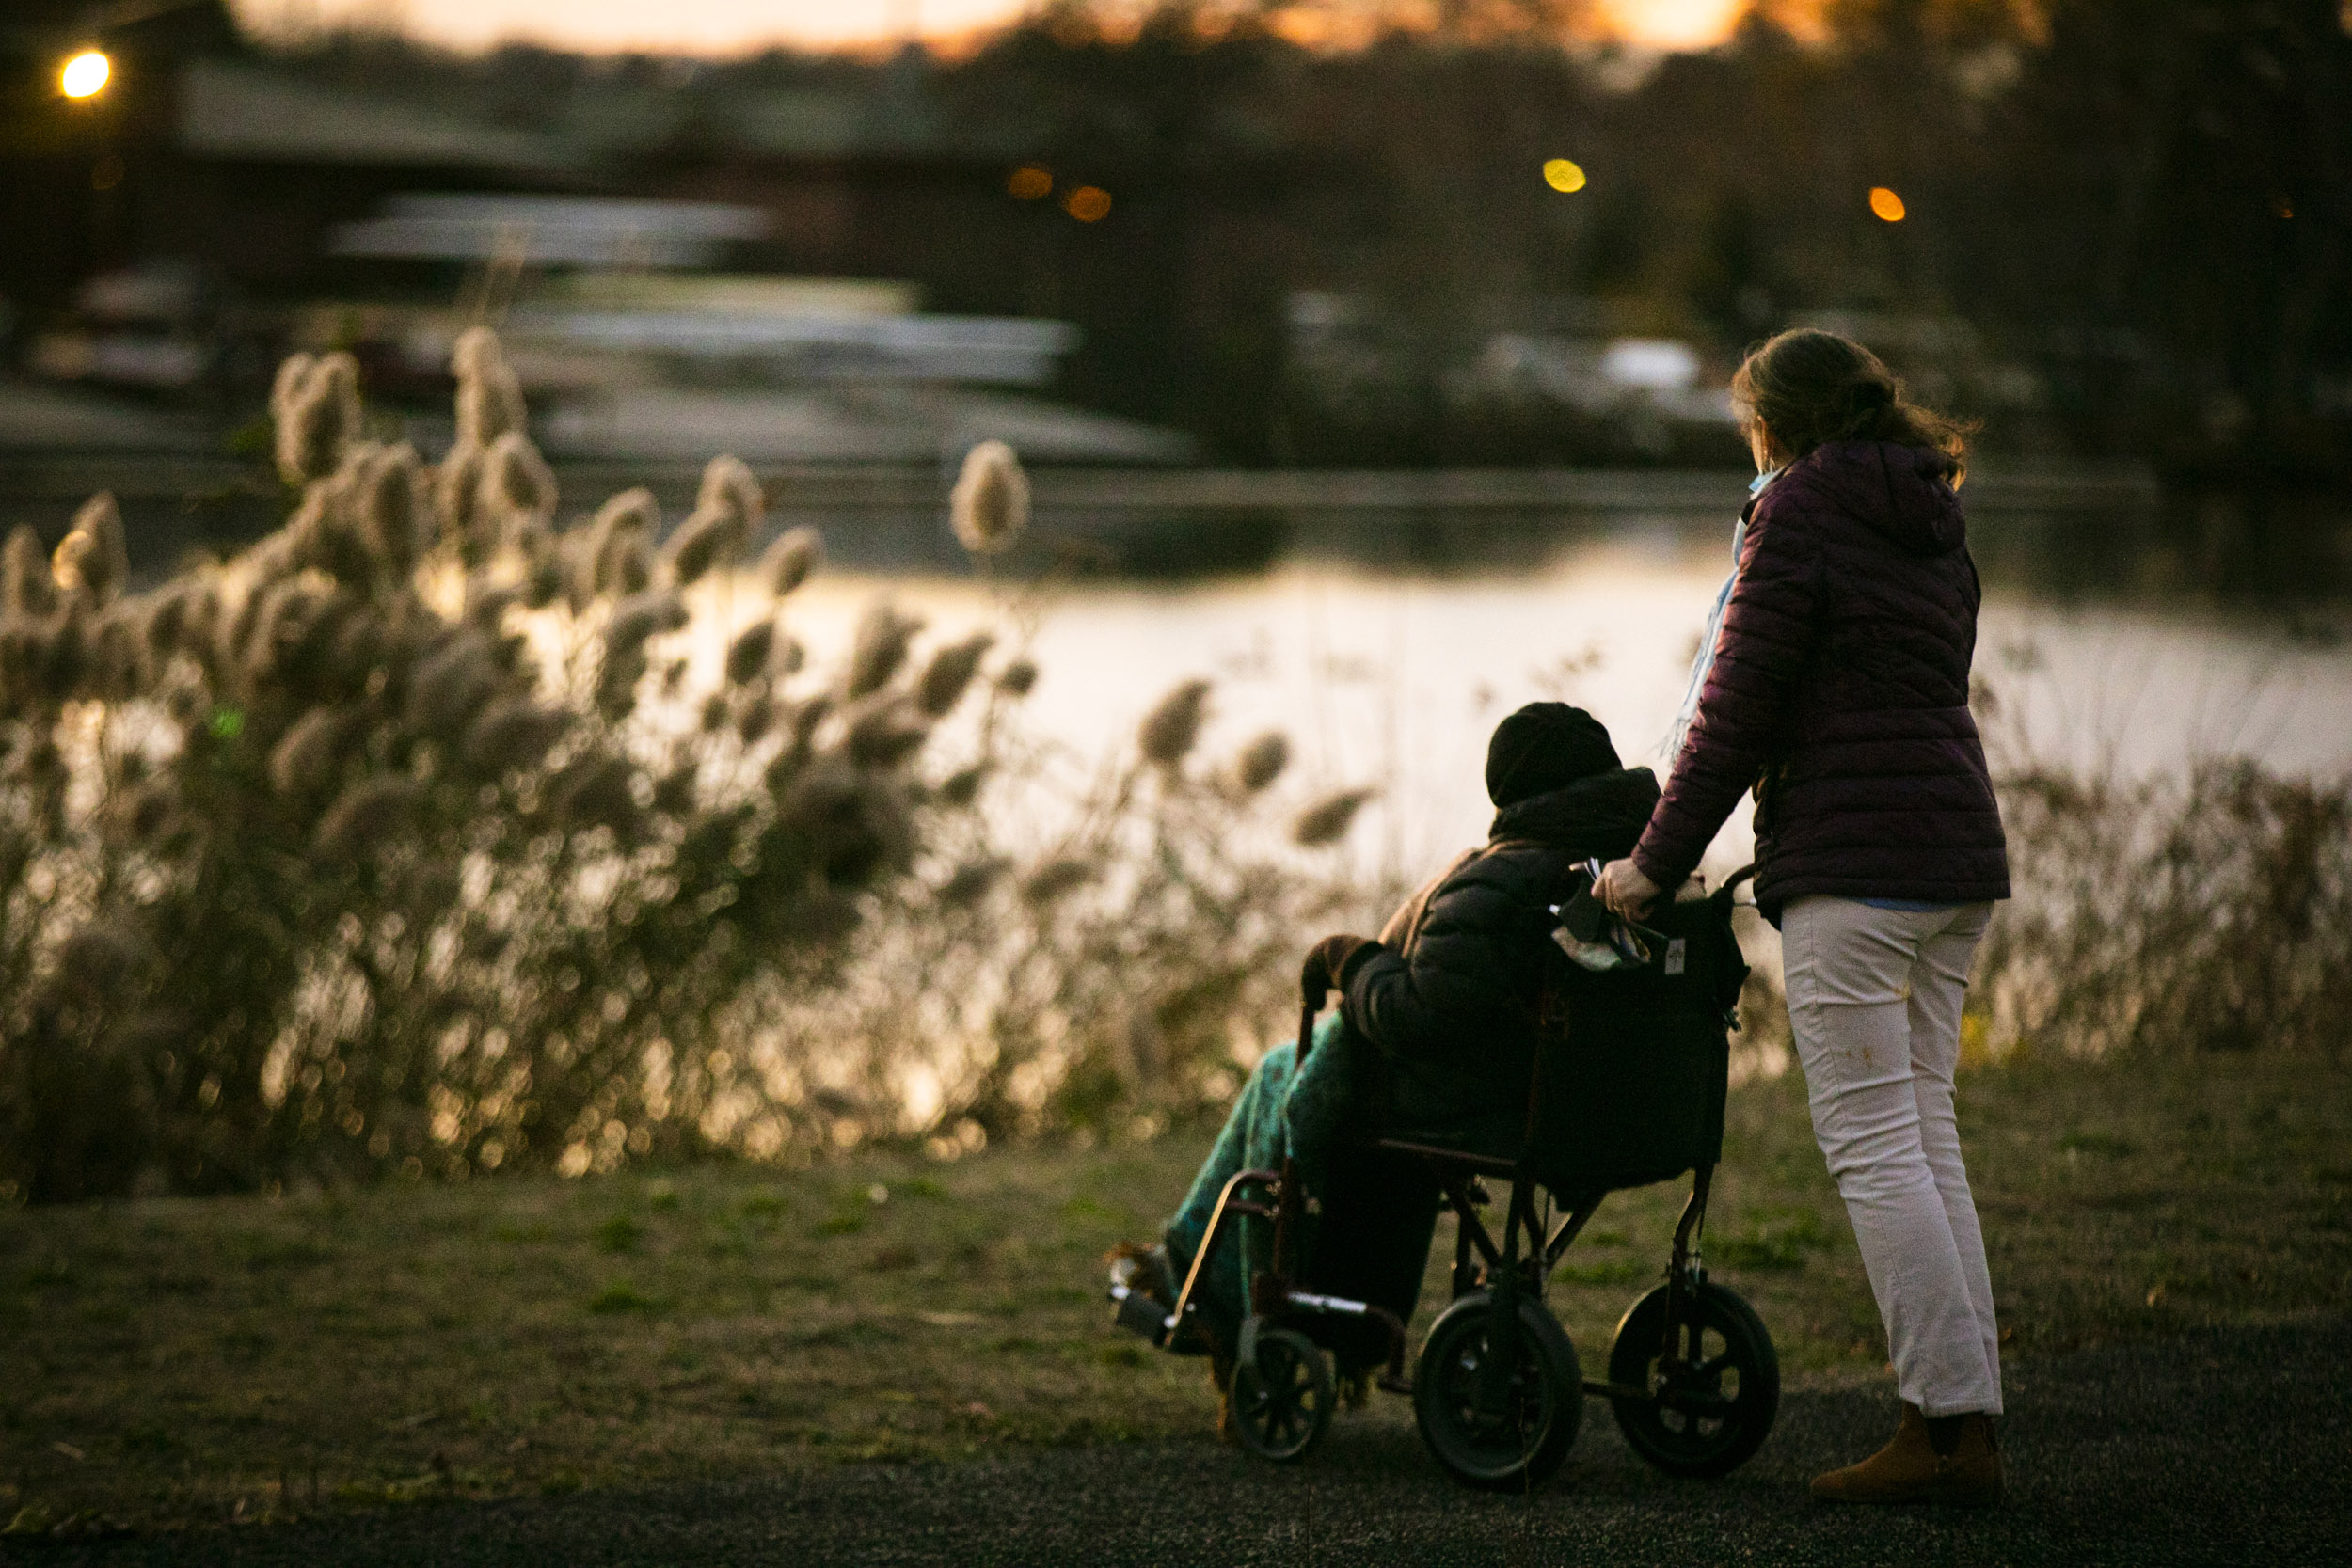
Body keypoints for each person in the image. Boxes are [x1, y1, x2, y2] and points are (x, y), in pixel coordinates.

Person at [1596, 327, 2011, 1507]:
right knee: (1923, 1135)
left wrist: (1647, 863)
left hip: (1858, 869)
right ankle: (1962, 1424)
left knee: (1878, 1145)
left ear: (1773, 423)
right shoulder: (1932, 515)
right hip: (1953, 855)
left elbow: (1734, 707)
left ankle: (1943, 1428)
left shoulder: (1797, 512)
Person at [1112, 701, 1661, 1428]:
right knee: (1293, 1069)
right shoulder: (1648, 873)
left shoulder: (1502, 881)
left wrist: (1353, 958)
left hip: (1481, 1106)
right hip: (1617, 1104)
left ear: (1508, 786)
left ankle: (1201, 1280)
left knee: (1286, 1072)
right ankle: (1189, 1259)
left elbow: (1417, 1020)